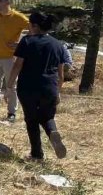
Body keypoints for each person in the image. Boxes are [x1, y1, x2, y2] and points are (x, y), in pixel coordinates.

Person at [10, 12, 66, 161]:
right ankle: (52, 131)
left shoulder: (27, 41)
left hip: (28, 87)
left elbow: (17, 65)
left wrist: (9, 85)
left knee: (31, 120)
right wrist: (58, 91)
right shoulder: (58, 44)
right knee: (47, 116)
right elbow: (61, 74)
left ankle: (37, 154)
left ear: (34, 26)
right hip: (50, 87)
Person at [0, 0, 29, 122]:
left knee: (11, 86)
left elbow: (33, 30)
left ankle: (11, 112)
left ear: (8, 2)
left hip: (10, 58)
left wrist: (20, 44)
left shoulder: (18, 17)